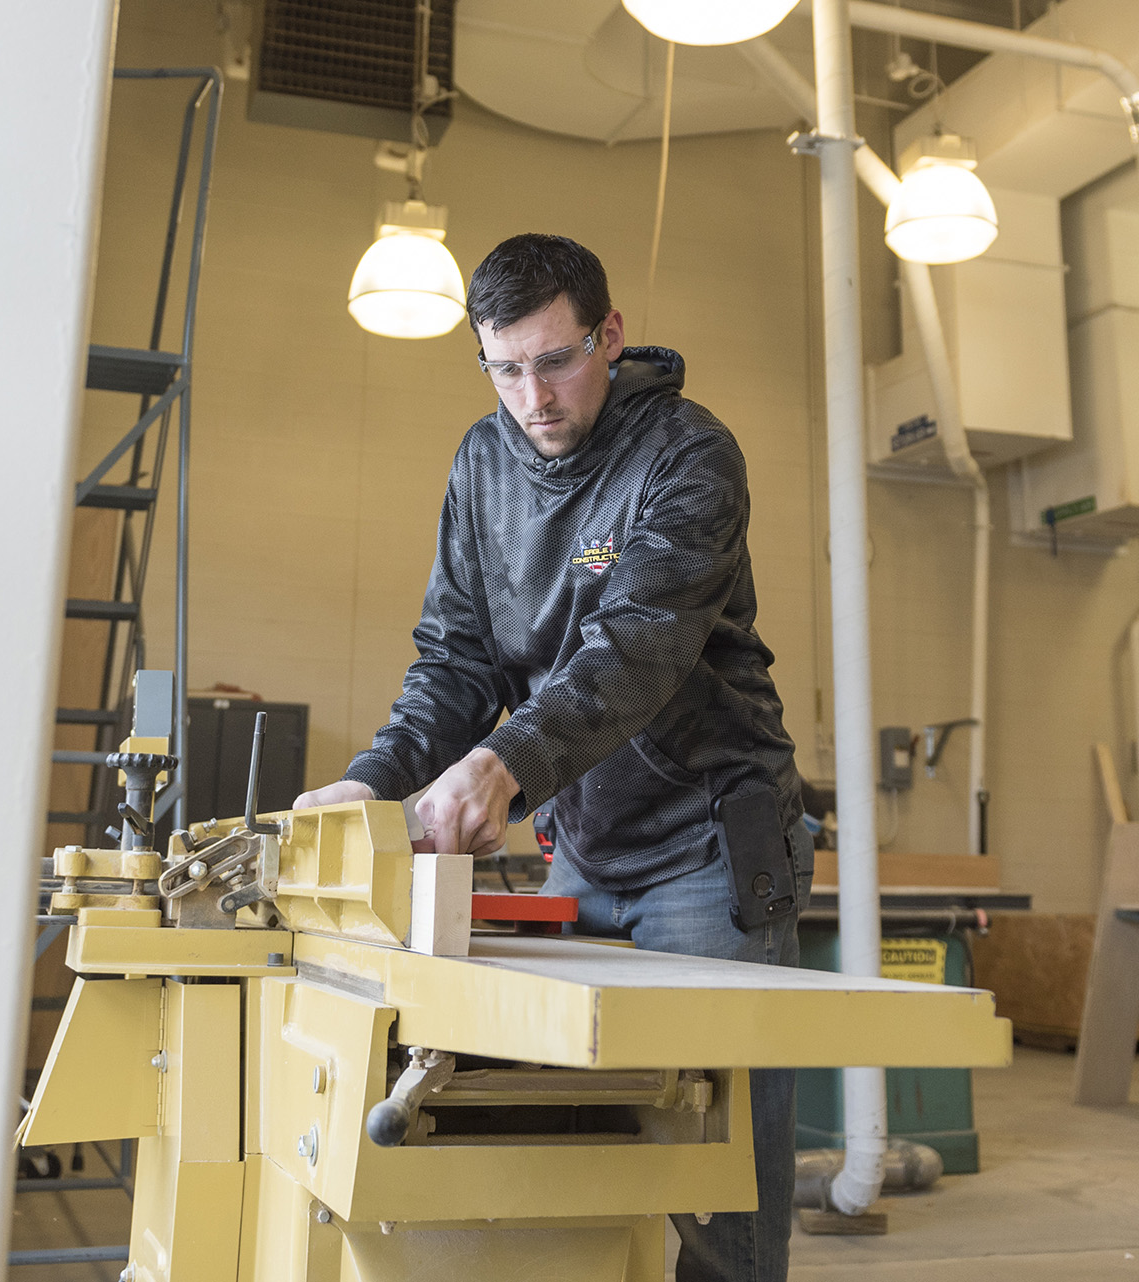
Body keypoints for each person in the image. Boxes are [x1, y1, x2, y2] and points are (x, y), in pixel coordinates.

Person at [294, 233, 812, 1281]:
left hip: (709, 850)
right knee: (588, 1148)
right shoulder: (483, 464)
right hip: (588, 853)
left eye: (557, 358)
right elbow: (456, 660)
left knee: (720, 1185)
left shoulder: (688, 455)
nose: (534, 395)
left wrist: (507, 761)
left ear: (609, 336)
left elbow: (639, 648)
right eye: (505, 366)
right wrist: (378, 776)